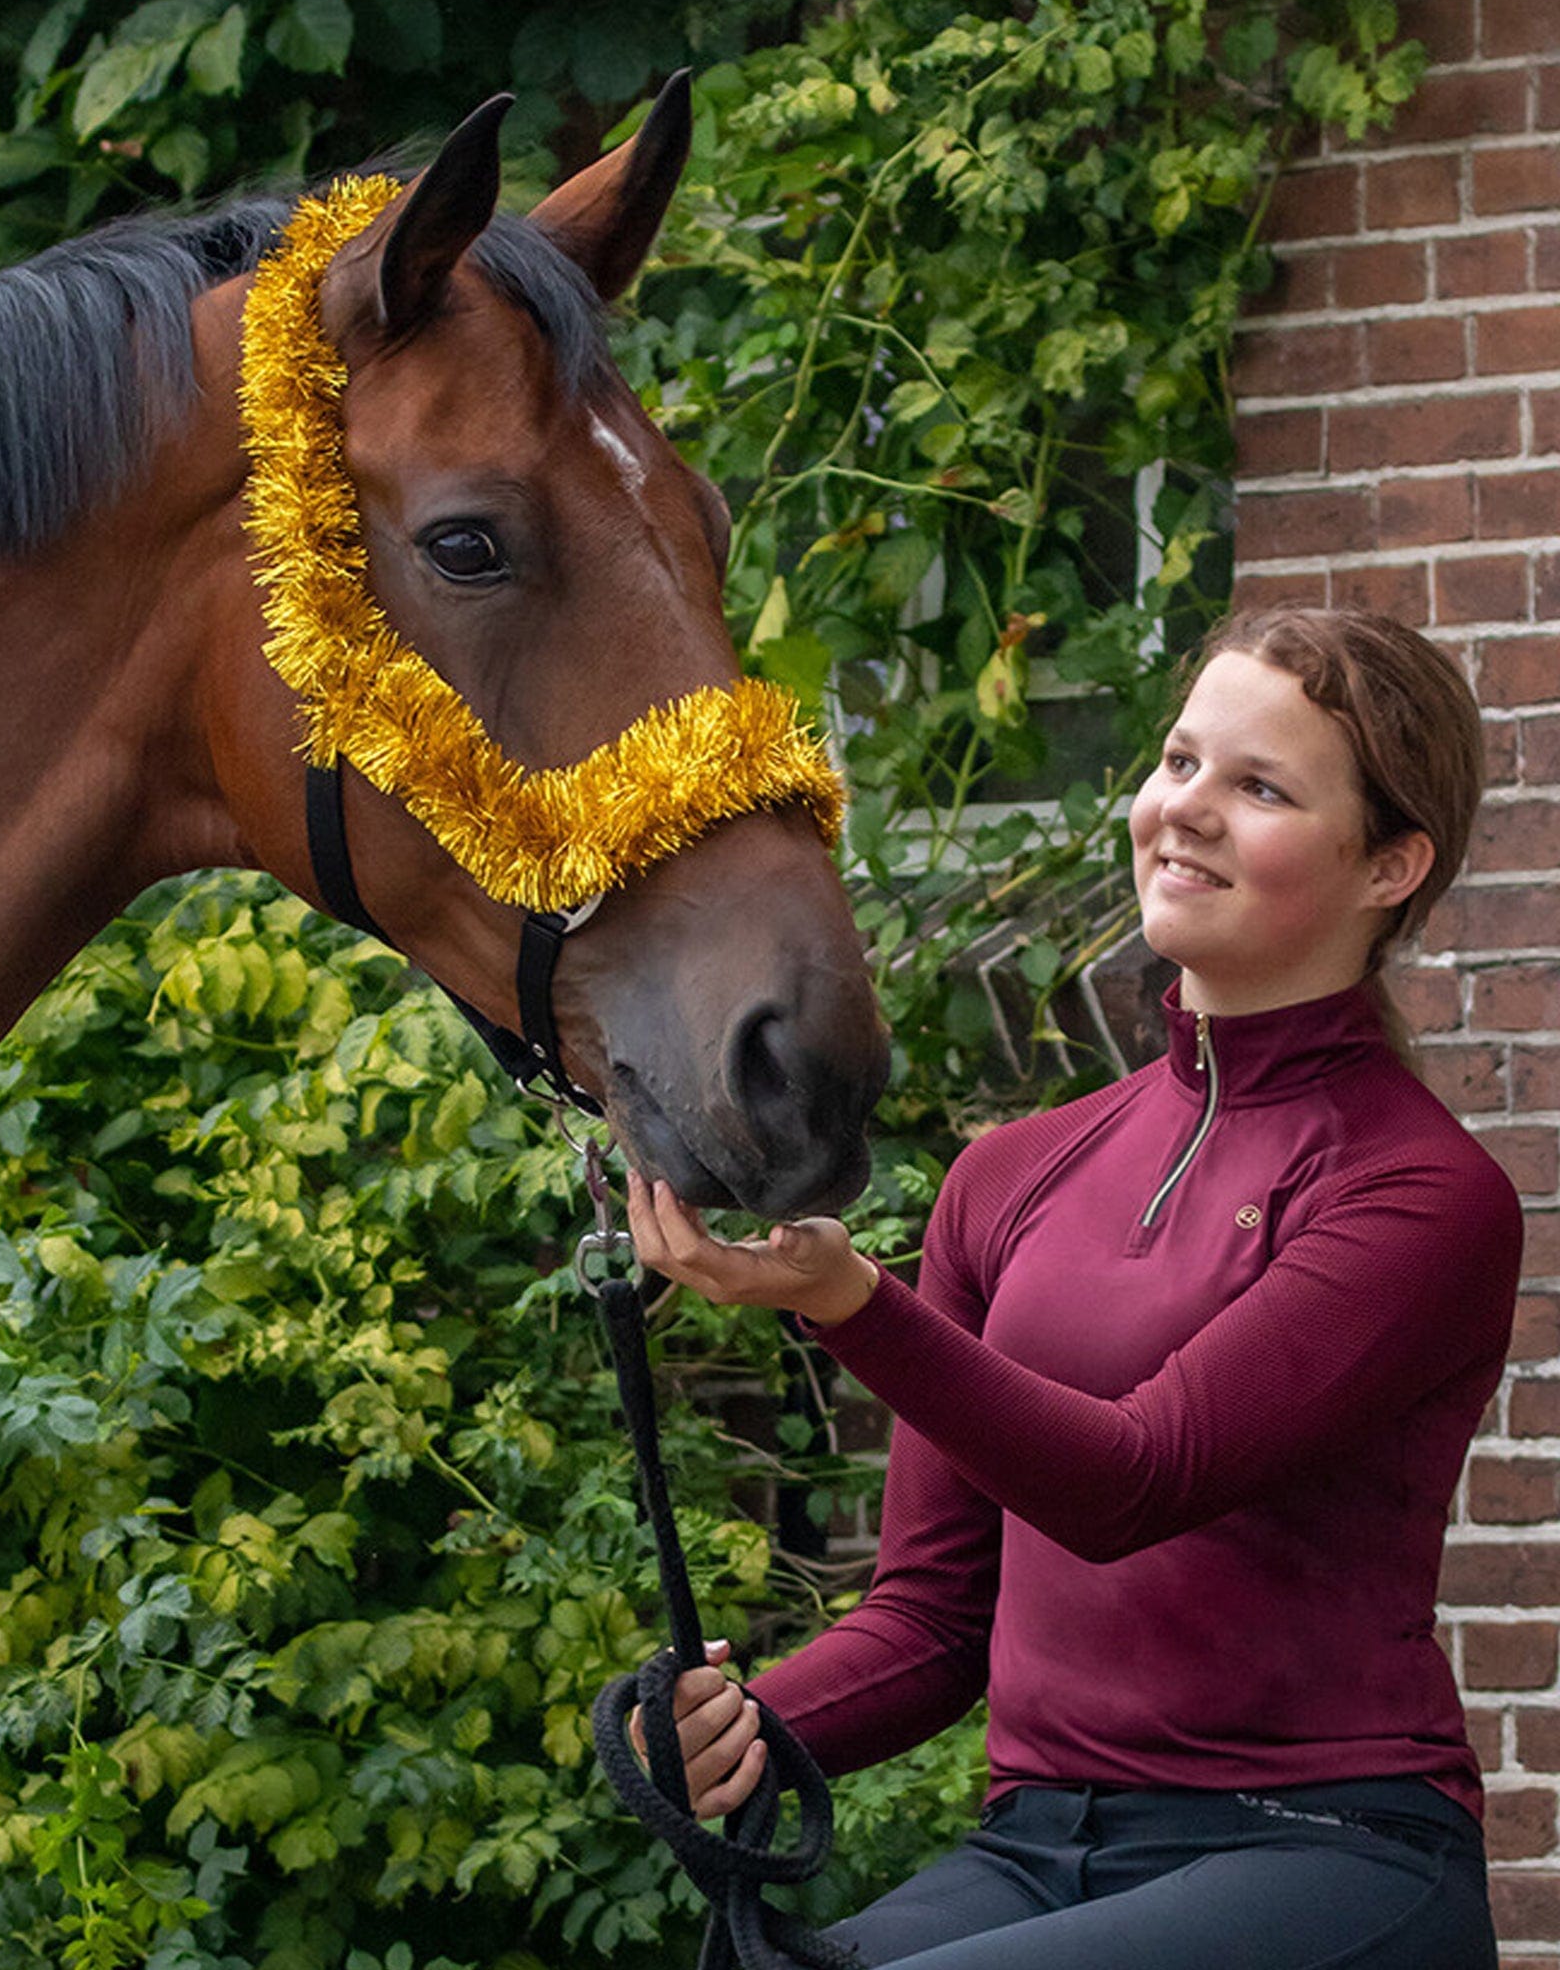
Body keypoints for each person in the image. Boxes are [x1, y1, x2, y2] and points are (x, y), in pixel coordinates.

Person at [625, 605, 1523, 1969]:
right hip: (1036, 1849)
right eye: (1178, 763)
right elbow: (934, 1620)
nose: (1188, 812)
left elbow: (1132, 1483)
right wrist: (740, 1724)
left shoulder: (1419, 1197)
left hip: (1323, 1851)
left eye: (1260, 787)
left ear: (1391, 864)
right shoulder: (1015, 1175)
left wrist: (853, 1304)